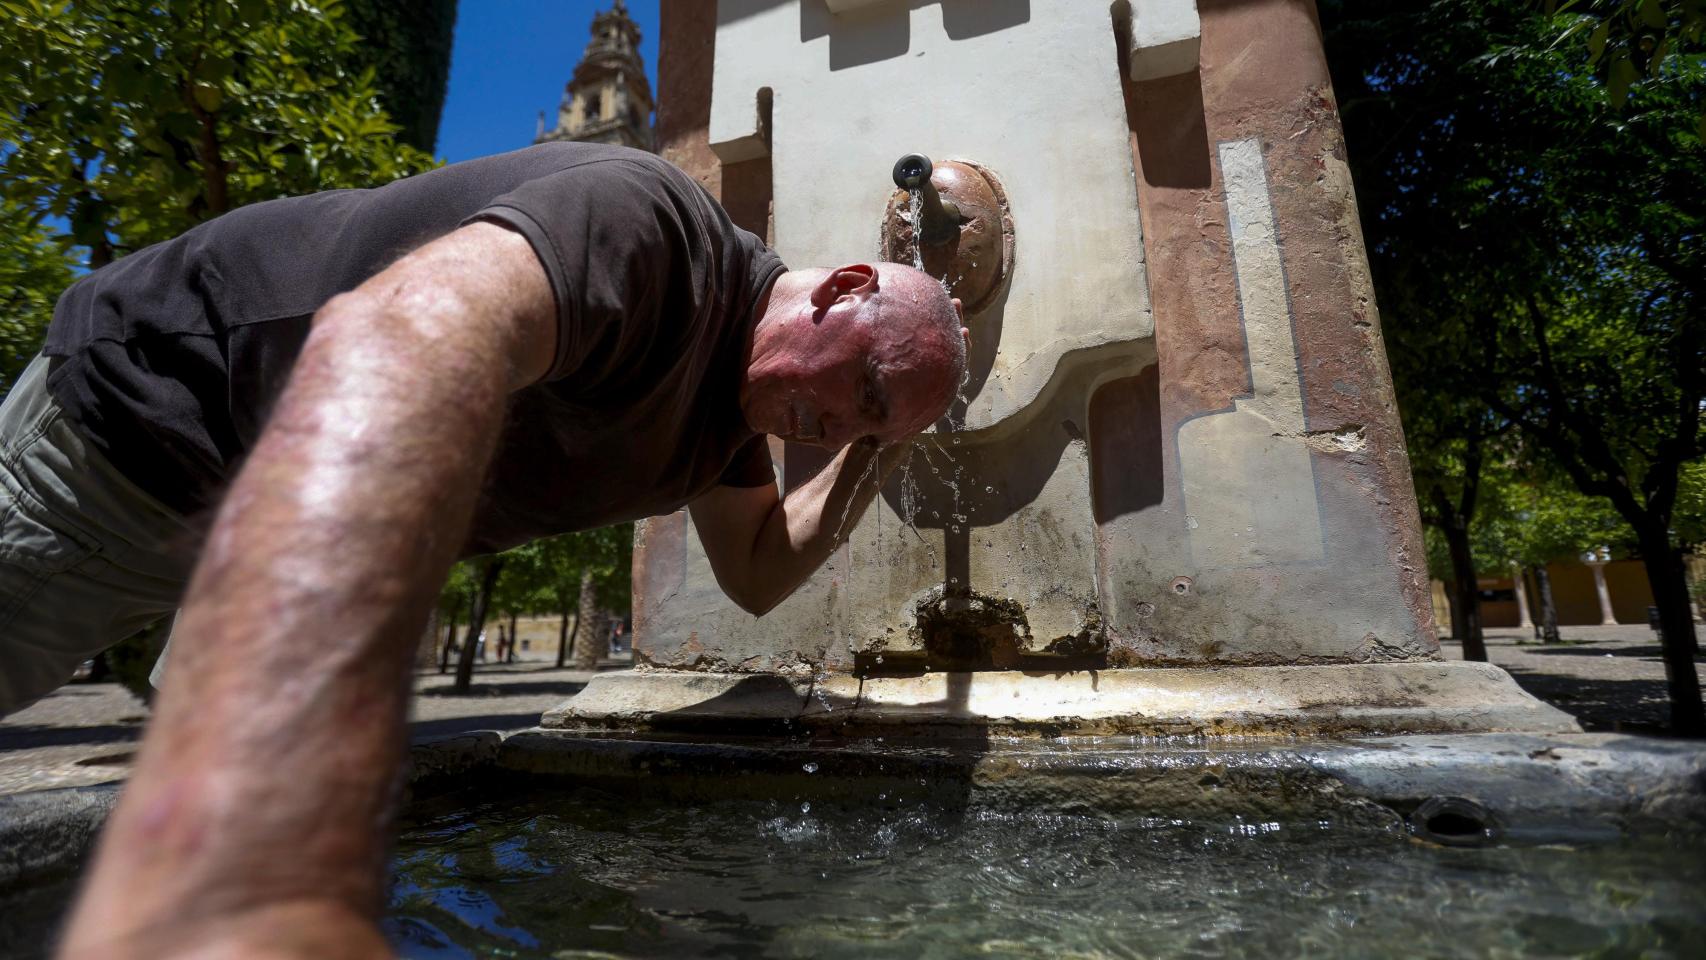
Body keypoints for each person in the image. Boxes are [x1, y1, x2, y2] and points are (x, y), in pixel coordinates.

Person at [0, 142, 966, 957]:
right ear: (842, 290)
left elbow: (758, 570)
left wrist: (875, 460)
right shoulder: (655, 233)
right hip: (139, 431)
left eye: (867, 430)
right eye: (862, 397)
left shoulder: (728, 417)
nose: (836, 430)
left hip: (255, 520)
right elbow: (400, 335)